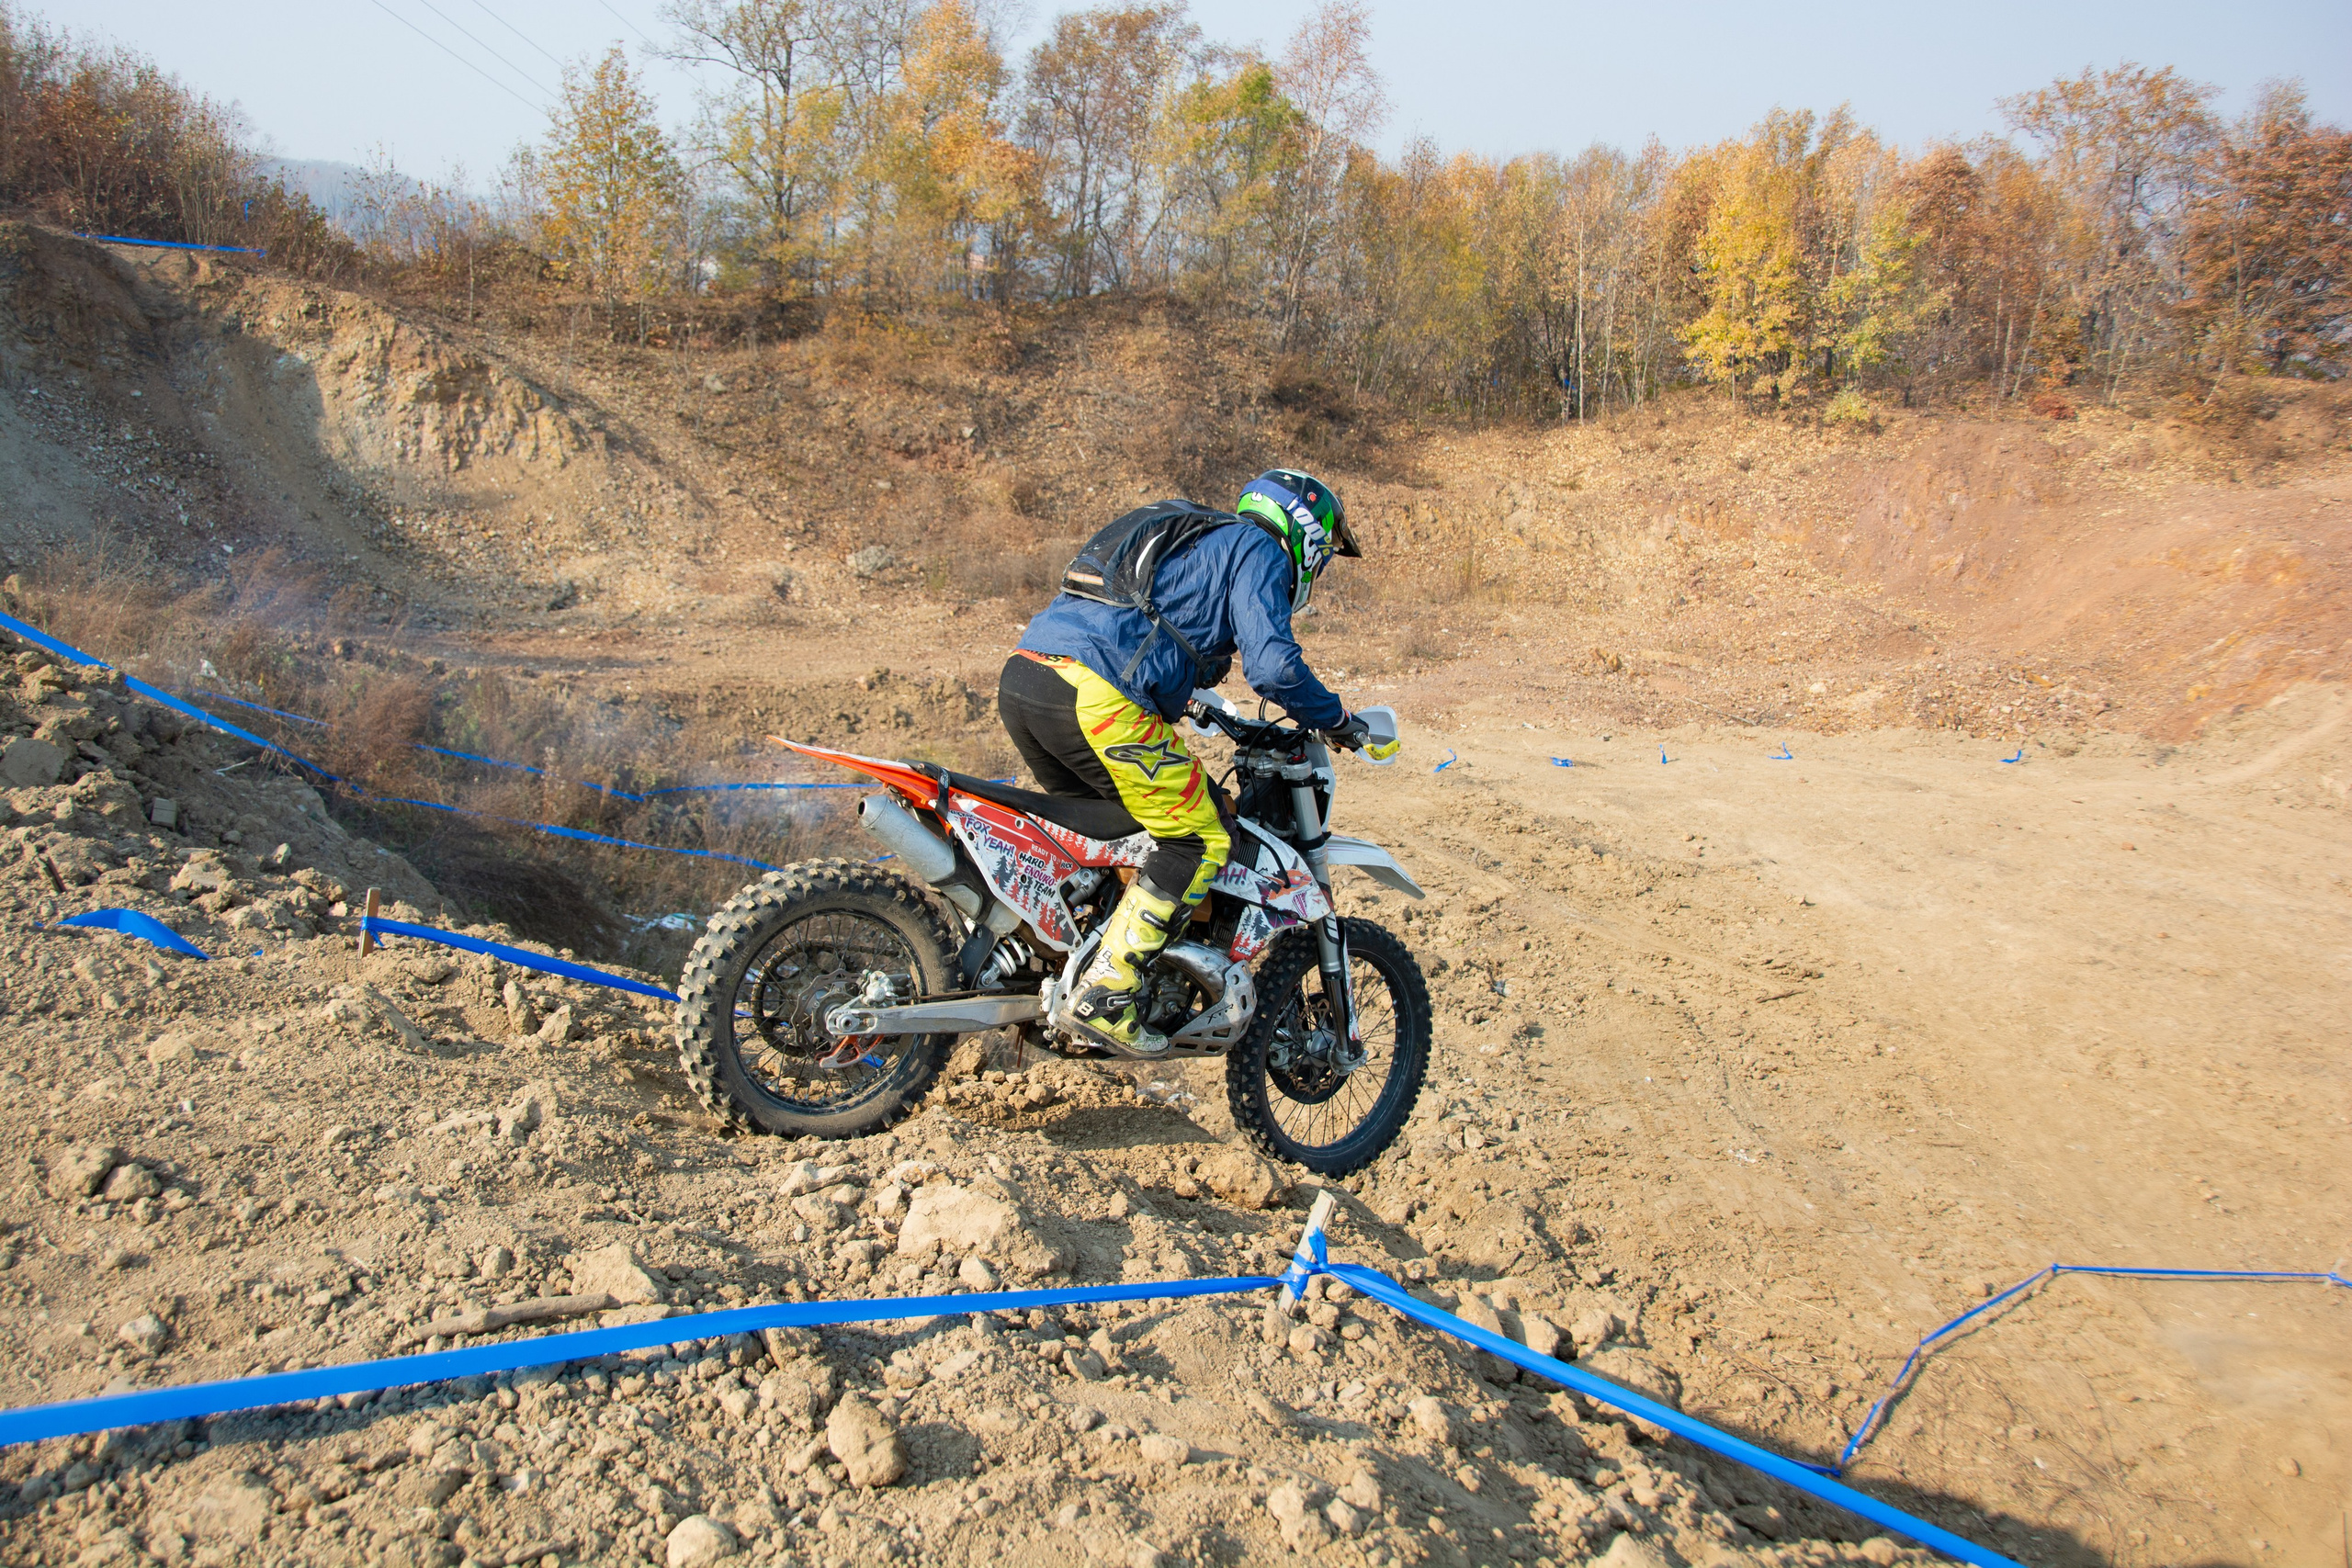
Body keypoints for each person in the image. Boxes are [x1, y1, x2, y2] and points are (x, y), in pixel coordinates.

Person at [999, 468, 1367, 1057]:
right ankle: (1108, 992)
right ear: (1305, 535)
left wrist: (1184, 690)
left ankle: (1063, 965)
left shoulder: (1198, 538)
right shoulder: (1258, 548)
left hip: (1029, 676)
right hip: (1098, 693)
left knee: (1117, 838)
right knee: (1198, 836)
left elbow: (1140, 619)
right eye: (1321, 555)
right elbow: (1273, 668)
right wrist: (1337, 718)